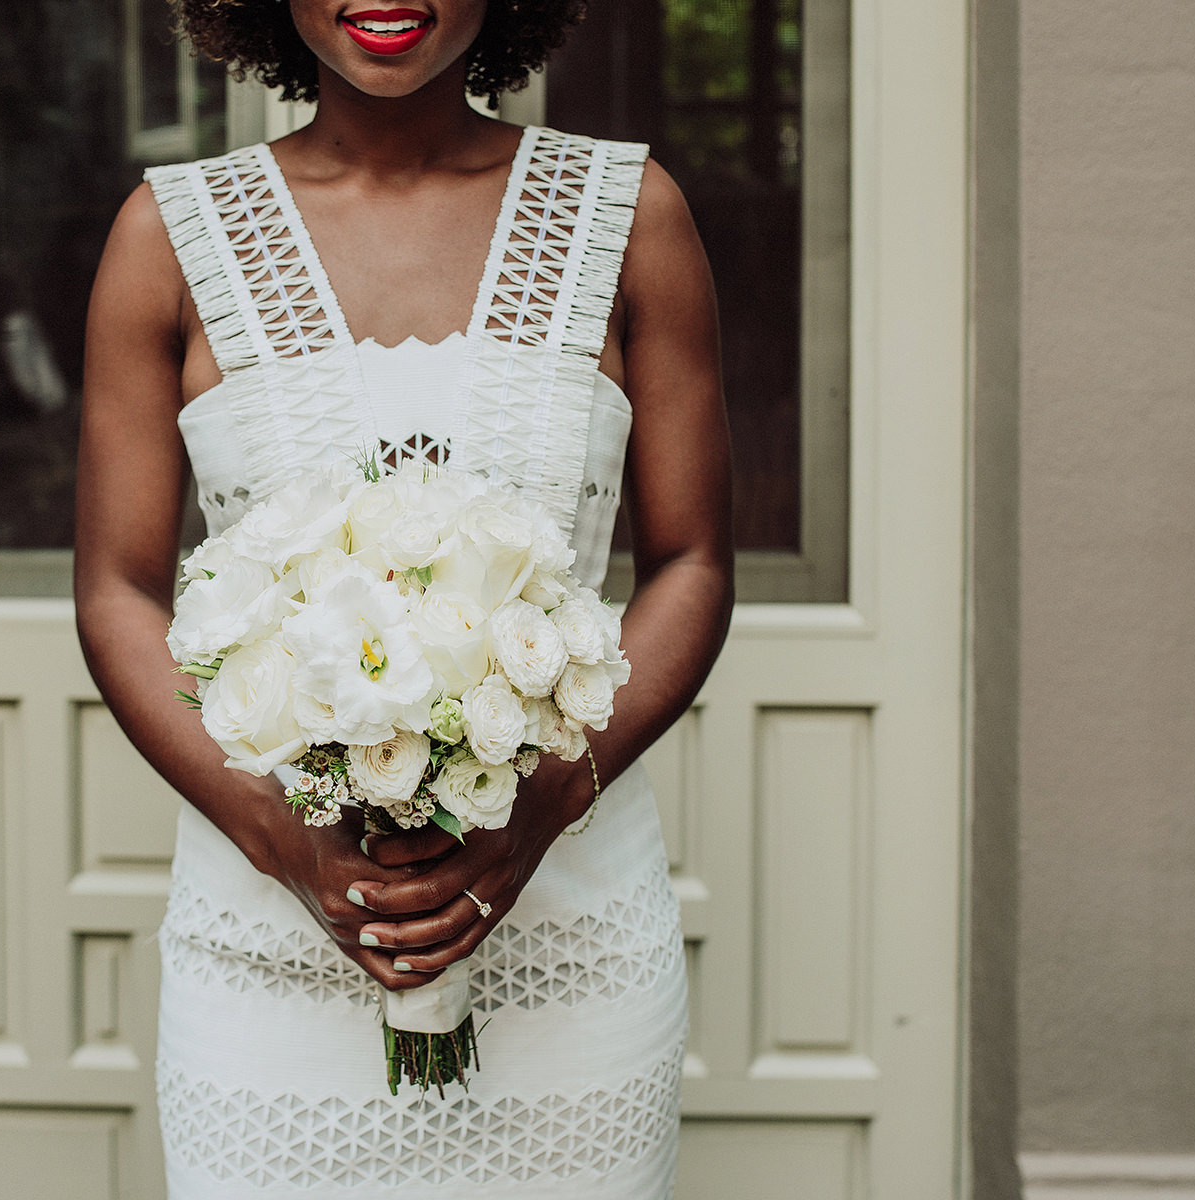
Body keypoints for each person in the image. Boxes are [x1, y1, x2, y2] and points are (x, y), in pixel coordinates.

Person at [74, 1, 733, 1193]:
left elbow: (693, 561)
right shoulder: (166, 237)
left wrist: (536, 809)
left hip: (571, 952)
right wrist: (286, 838)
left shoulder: (632, 218)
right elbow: (117, 588)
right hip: (266, 950)